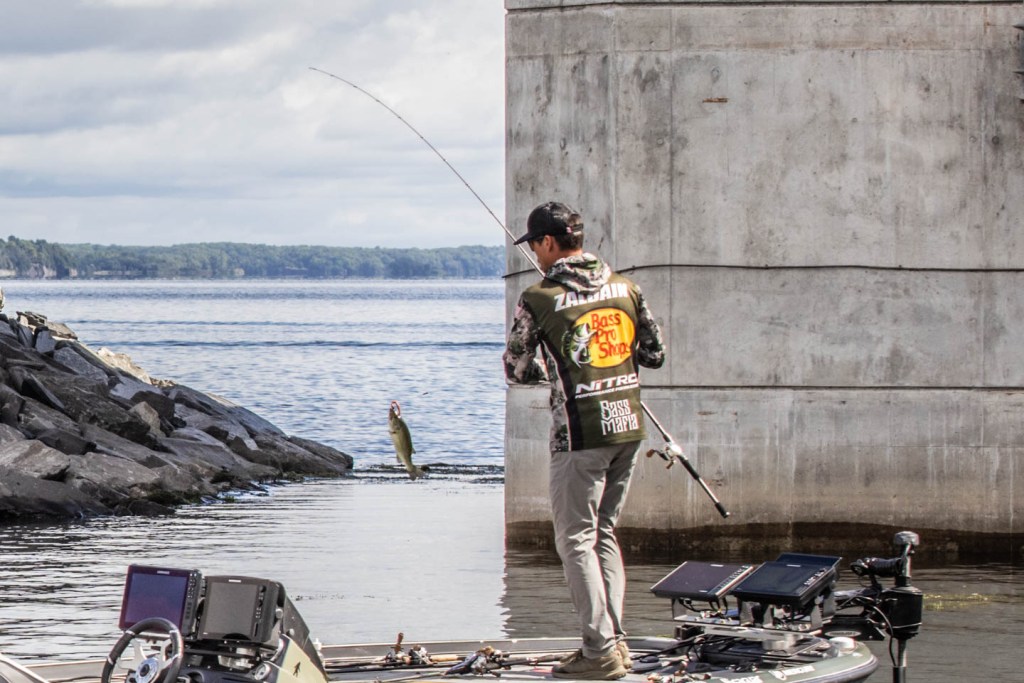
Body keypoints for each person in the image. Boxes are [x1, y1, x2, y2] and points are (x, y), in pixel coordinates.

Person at [503, 201, 665, 680]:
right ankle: (615, 643)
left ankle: (599, 653)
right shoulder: (626, 287)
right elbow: (654, 354)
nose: (535, 254)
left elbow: (516, 369)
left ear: (549, 242)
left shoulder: (539, 297)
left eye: (535, 245)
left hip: (579, 433)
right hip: (628, 426)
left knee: (575, 540)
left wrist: (555, 373)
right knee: (604, 534)